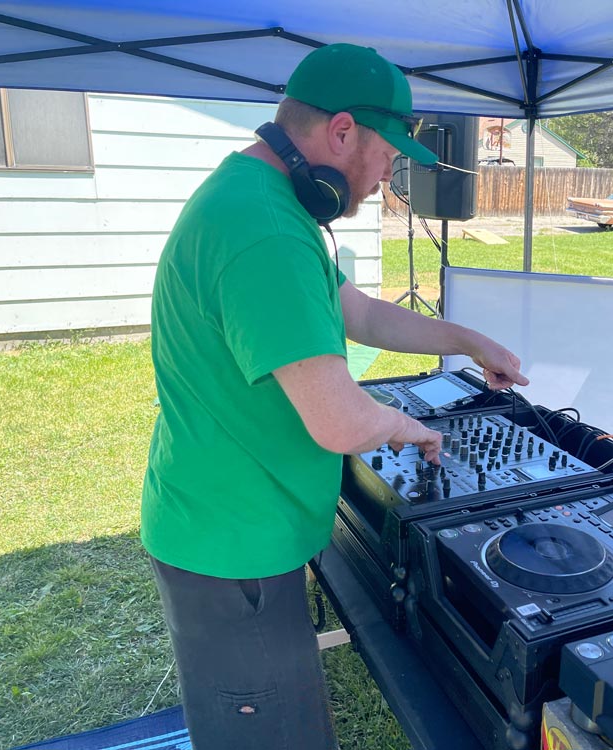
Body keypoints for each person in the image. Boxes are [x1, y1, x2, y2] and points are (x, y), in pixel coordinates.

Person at [140, 43, 528, 750]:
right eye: (387, 156)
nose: (387, 178)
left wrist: (467, 340)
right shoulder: (262, 231)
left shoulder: (264, 202)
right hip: (233, 546)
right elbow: (340, 420)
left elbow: (359, 314)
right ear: (342, 131)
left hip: (231, 522)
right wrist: (408, 427)